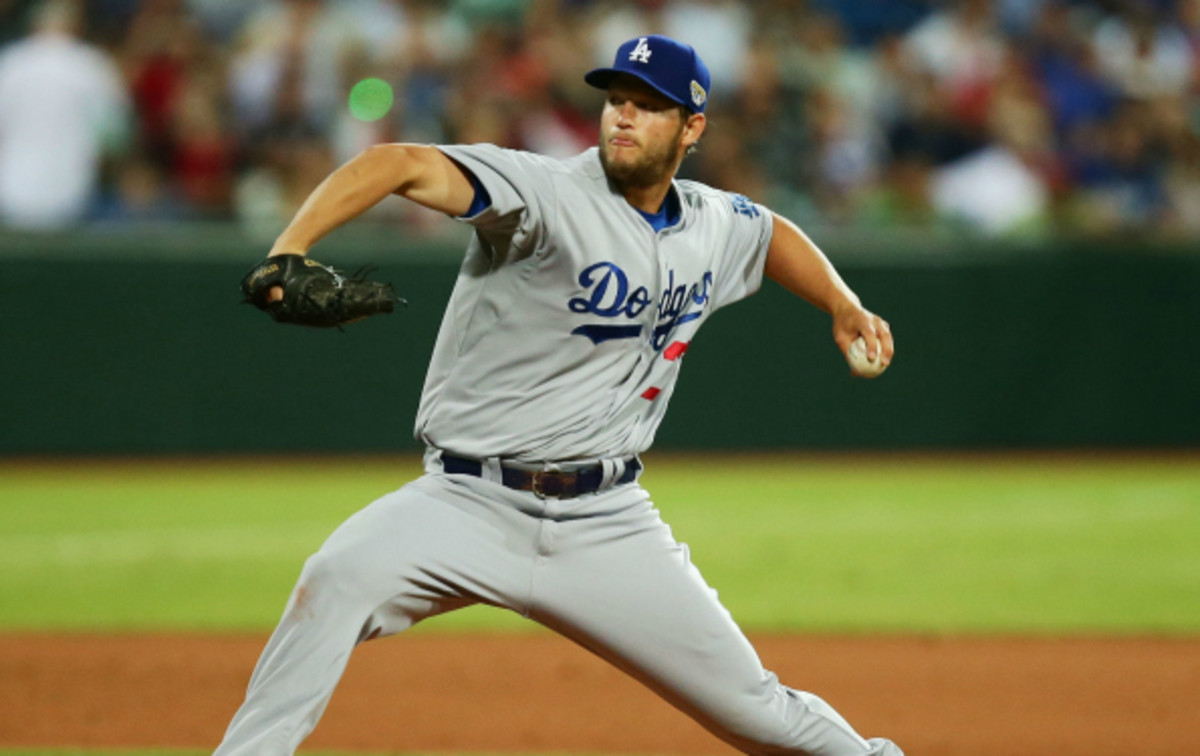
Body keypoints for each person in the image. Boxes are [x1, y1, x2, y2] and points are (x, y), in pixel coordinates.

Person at [217, 34, 900, 756]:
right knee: (334, 581)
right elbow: (398, 163)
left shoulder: (709, 224)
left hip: (606, 521)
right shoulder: (542, 193)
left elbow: (768, 236)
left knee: (758, 712)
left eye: (649, 107)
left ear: (693, 128)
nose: (624, 118)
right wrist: (286, 251)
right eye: (616, 101)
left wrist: (842, 302)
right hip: (464, 503)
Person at [0, 0, 129, 229]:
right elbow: (115, 136)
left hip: (12, 190)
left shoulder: (10, 63)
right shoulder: (92, 65)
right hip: (72, 192)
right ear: (76, 27)